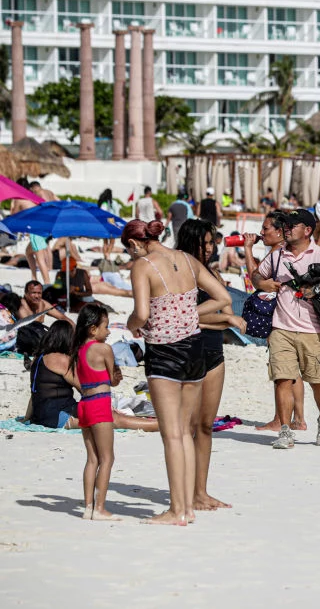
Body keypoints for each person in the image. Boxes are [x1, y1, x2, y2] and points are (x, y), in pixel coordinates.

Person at [123, 219, 231, 526]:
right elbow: (223, 298)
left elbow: (142, 314)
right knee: (185, 432)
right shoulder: (188, 259)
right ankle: (187, 507)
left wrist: (132, 325)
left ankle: (176, 510)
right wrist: (187, 313)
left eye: (129, 250)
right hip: (195, 350)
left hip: (164, 351)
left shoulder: (142, 266)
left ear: (134, 244)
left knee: (171, 435)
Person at [255, 209, 320, 451]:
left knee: (318, 382)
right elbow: (257, 275)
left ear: (307, 230)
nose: (287, 228)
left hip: (313, 330)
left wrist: (318, 290)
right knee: (282, 379)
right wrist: (262, 283)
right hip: (281, 328)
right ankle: (285, 431)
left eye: (293, 225)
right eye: (286, 225)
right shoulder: (277, 255)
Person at [177, 219, 247, 510]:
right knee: (188, 427)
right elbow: (180, 317)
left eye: (211, 243)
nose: (210, 248)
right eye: (205, 242)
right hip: (188, 352)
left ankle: (201, 492)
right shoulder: (178, 273)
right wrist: (224, 318)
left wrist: (222, 318)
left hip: (215, 352)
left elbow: (227, 311)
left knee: (205, 426)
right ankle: (186, 492)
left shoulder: (213, 274)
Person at [24, 320, 158, 432]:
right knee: (113, 419)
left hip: (41, 414)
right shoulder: (62, 360)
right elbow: (86, 389)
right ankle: (160, 426)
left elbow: (34, 393)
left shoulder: (38, 359)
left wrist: (27, 418)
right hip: (57, 416)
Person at [244, 210, 305, 432]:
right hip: (295, 316)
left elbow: (255, 279)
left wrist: (248, 249)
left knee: (282, 373)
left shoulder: (277, 254)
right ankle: (299, 418)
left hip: (278, 318)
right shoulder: (290, 252)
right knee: (293, 371)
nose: (261, 232)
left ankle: (281, 419)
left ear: (280, 232)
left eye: (266, 228)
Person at [71, 304, 120, 521]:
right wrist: (118, 374)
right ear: (93, 329)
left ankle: (88, 507)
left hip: (84, 404)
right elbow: (113, 380)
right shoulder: (103, 349)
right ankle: (100, 507)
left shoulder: (78, 349)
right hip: (100, 403)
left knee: (92, 459)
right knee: (107, 458)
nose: (108, 332)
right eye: (106, 327)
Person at [12, 178, 51, 284]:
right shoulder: (32, 197)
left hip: (35, 230)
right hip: (43, 228)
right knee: (28, 253)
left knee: (40, 258)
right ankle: (34, 278)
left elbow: (14, 215)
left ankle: (47, 284)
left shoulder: (19, 199)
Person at [97, 189, 120, 262]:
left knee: (105, 242)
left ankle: (105, 257)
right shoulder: (113, 203)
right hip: (111, 222)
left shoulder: (102, 203)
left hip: (103, 223)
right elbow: (116, 215)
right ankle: (108, 255)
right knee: (112, 242)